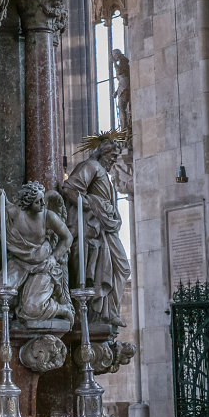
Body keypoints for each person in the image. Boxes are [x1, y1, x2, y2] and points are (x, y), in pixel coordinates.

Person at [0, 182, 74, 327]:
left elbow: (68, 237)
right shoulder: (15, 213)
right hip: (20, 262)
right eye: (38, 201)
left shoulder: (48, 216)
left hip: (43, 265)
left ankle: (62, 309)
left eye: (42, 200)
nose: (43, 204)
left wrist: (54, 257)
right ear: (27, 204)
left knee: (32, 308)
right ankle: (21, 305)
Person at [61, 135, 131, 326]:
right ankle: (102, 311)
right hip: (96, 227)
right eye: (112, 156)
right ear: (103, 152)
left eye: (116, 157)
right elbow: (69, 189)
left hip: (108, 227)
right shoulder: (91, 166)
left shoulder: (104, 174)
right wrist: (92, 206)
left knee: (123, 268)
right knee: (113, 267)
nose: (114, 160)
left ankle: (110, 309)